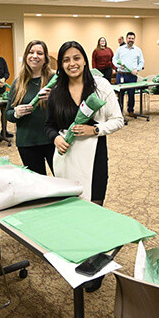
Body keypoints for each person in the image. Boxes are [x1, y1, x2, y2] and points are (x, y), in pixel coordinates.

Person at [45, 41, 123, 205]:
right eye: (66, 60)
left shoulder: (100, 86)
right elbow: (49, 126)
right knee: (68, 207)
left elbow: (117, 120)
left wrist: (94, 130)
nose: (72, 64)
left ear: (85, 60)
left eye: (76, 58)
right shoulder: (57, 92)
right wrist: (56, 139)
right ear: (60, 64)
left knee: (94, 205)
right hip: (66, 159)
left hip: (95, 158)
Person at [6, 40, 55, 175]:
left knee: (62, 180)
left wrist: (53, 98)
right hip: (27, 142)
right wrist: (16, 113)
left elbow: (67, 108)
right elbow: (8, 114)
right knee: (38, 184)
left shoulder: (54, 79)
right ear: (26, 56)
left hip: (53, 139)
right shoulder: (18, 82)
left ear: (45, 58)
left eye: (39, 53)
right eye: (31, 52)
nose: (35, 56)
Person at [112, 32, 145, 117]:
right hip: (121, 75)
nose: (131, 40)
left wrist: (137, 69)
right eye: (129, 38)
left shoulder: (138, 50)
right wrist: (119, 65)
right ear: (126, 39)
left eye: (132, 38)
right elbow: (114, 60)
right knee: (120, 94)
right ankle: (119, 112)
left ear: (134, 39)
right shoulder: (120, 49)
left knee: (131, 94)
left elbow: (141, 62)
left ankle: (131, 110)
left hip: (132, 76)